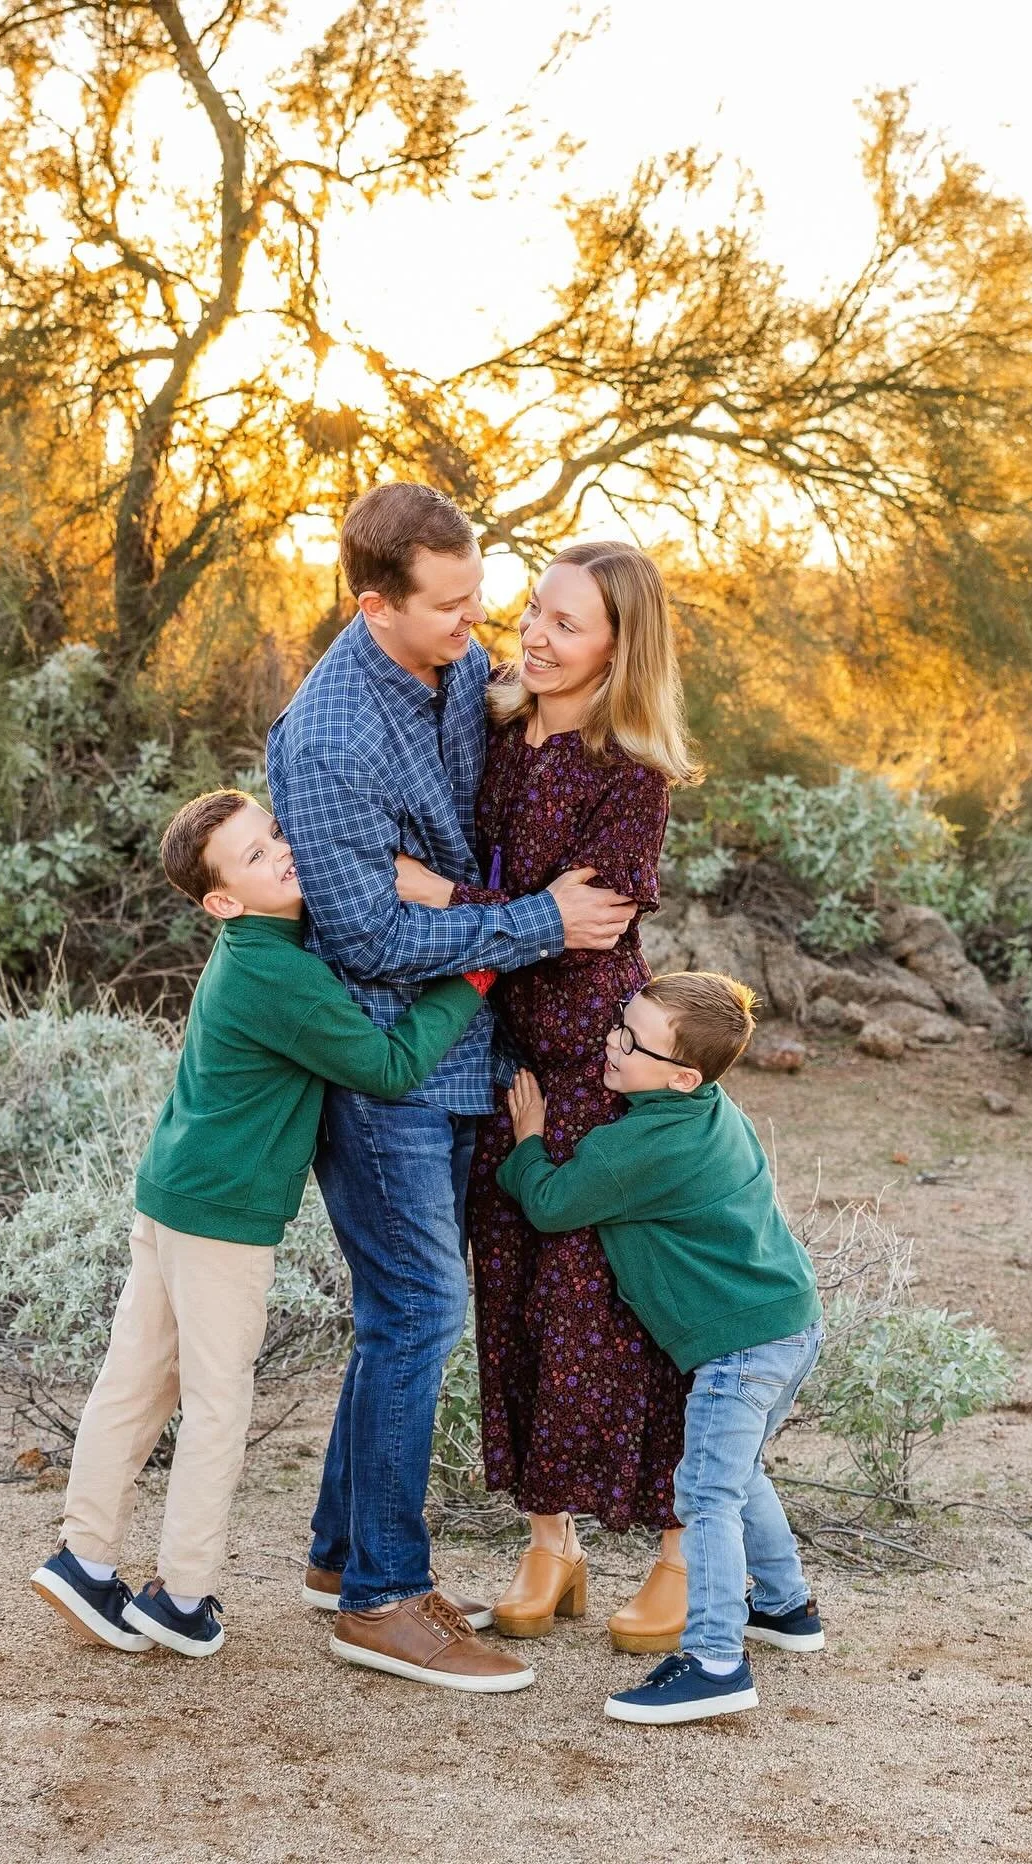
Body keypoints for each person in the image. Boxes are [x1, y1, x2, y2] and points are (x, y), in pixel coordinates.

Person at [265, 483, 635, 1693]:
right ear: (377, 605)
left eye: (487, 595)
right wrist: (536, 921)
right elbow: (366, 932)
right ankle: (381, 1596)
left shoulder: (453, 669)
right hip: (381, 1062)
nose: (483, 622)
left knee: (403, 1311)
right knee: (420, 1308)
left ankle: (338, 1553)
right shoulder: (326, 740)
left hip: (463, 1047)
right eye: (454, 604)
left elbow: (485, 822)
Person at [29, 788, 503, 1671]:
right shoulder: (276, 972)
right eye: (255, 857)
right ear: (222, 902)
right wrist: (472, 977)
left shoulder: (259, 947)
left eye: (275, 833)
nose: (282, 853)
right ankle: (181, 1594)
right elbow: (389, 1065)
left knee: (136, 1381)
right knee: (215, 1402)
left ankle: (84, 1556)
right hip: (221, 1218)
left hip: (173, 1194)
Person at [395, 540, 697, 1650]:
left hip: (597, 1069)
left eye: (568, 624)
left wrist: (442, 894)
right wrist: (518, 905)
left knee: (616, 1307)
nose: (535, 633)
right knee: (514, 1303)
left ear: (620, 646)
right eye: (535, 610)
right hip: (492, 1064)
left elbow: (587, 932)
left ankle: (676, 1549)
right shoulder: (485, 729)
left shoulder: (631, 778)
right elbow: (536, 917)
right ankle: (549, 1541)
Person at [495, 971, 825, 1724]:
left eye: (628, 1041)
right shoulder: (714, 1110)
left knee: (706, 1493)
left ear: (681, 1076)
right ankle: (784, 1606)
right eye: (620, 1022)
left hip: (739, 1347)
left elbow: (550, 1205)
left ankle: (715, 1661)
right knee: (737, 1473)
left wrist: (528, 1141)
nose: (610, 1044)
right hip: (791, 1322)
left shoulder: (632, 1148)